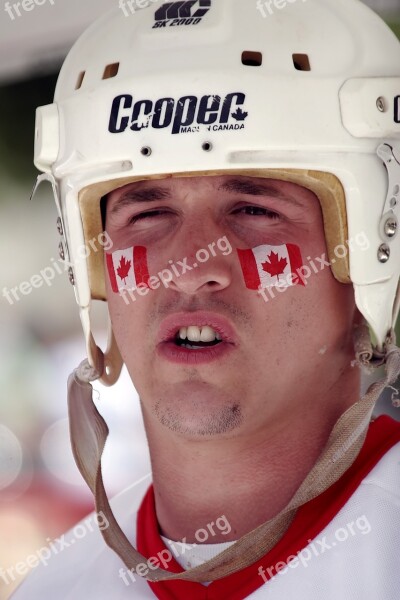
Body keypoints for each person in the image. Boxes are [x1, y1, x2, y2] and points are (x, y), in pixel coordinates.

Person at [12, 0, 400, 597]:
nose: (190, 269)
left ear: (374, 245)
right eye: (147, 211)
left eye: (255, 209)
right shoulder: (54, 587)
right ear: (90, 264)